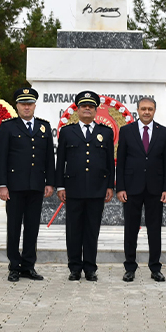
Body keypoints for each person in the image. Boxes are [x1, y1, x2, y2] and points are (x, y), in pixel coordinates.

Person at [0, 87, 54, 282]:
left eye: (30, 104)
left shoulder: (44, 127)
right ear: (17, 106)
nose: (26, 107)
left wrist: (50, 183)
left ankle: (28, 266)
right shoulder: (8, 127)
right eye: (23, 104)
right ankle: (14, 266)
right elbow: (1, 157)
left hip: (36, 185)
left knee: (32, 227)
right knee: (13, 228)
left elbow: (48, 159)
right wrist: (2, 184)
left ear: (35, 106)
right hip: (14, 187)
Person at [56, 91, 115, 281]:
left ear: (96, 110)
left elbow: (109, 162)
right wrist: (60, 186)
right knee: (73, 230)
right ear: (78, 109)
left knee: (92, 230)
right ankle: (74, 267)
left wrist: (109, 186)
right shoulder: (67, 131)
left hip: (97, 189)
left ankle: (90, 268)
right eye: (84, 106)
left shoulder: (105, 132)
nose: (87, 109)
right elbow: (61, 161)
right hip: (73, 189)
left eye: (90, 106)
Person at [116, 96, 166, 282]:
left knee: (154, 230)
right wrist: (120, 187)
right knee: (131, 229)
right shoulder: (126, 131)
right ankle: (130, 267)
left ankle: (155, 268)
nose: (146, 112)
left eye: (150, 109)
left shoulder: (163, 132)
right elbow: (121, 162)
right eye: (143, 109)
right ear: (137, 110)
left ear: (154, 110)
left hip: (155, 189)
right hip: (131, 188)